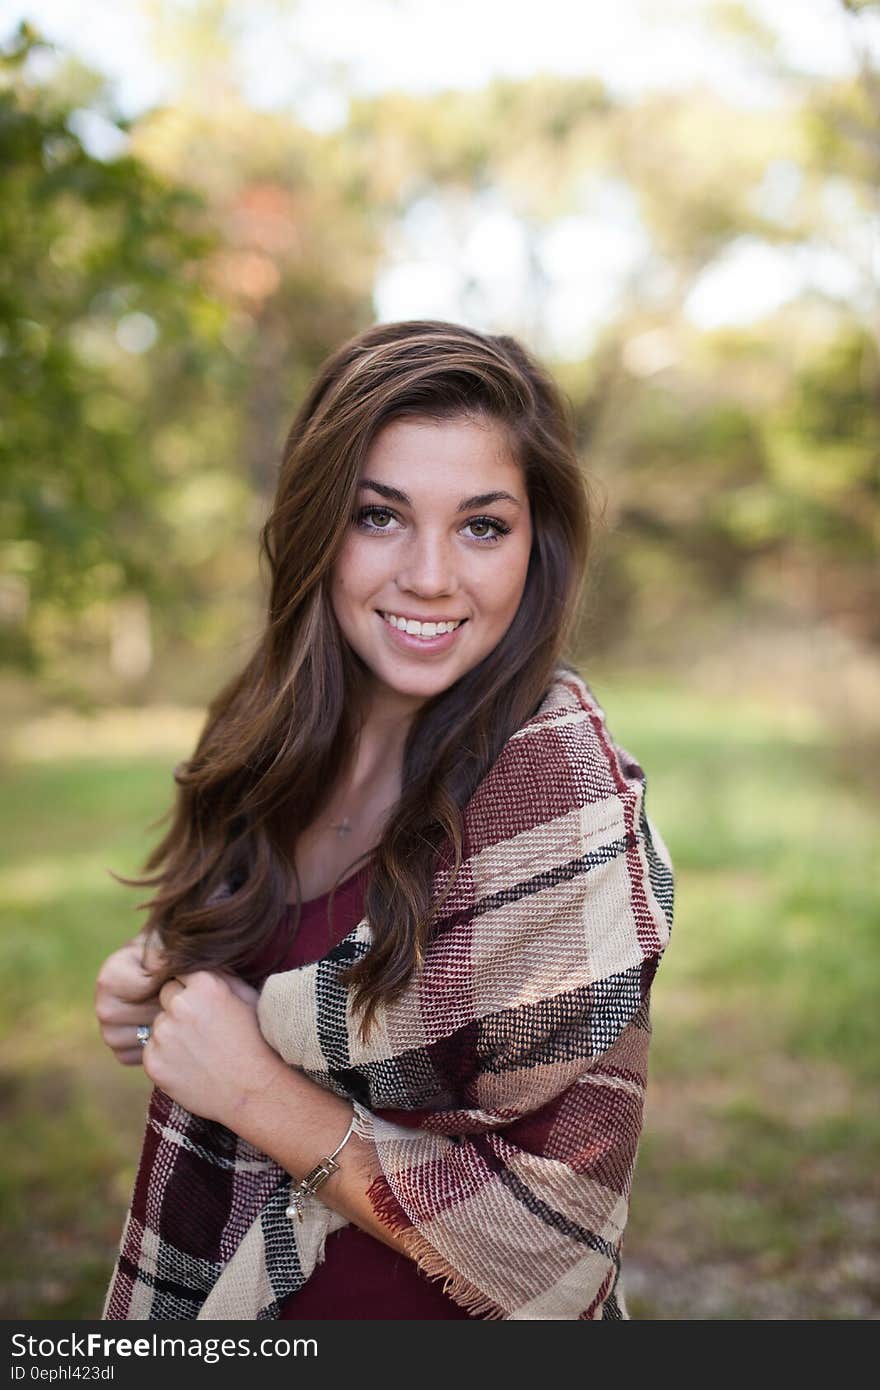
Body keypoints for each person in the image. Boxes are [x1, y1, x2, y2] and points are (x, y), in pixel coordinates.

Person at [96, 319, 674, 1321]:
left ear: (537, 547)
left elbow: (549, 1249)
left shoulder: (562, 795)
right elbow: (276, 967)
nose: (430, 575)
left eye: (481, 526)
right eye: (380, 516)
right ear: (320, 522)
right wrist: (168, 968)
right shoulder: (267, 738)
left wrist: (251, 1089)